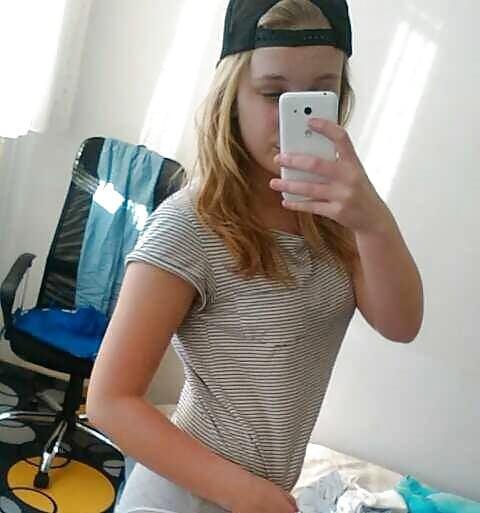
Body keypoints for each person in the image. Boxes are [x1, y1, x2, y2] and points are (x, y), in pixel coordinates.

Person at [86, 1, 424, 512]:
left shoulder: (337, 215)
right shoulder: (191, 224)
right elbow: (110, 401)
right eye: (273, 94)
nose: (295, 115)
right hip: (183, 495)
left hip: (261, 495)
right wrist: (253, 497)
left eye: (321, 92)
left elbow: (401, 325)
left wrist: (374, 220)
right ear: (232, 97)